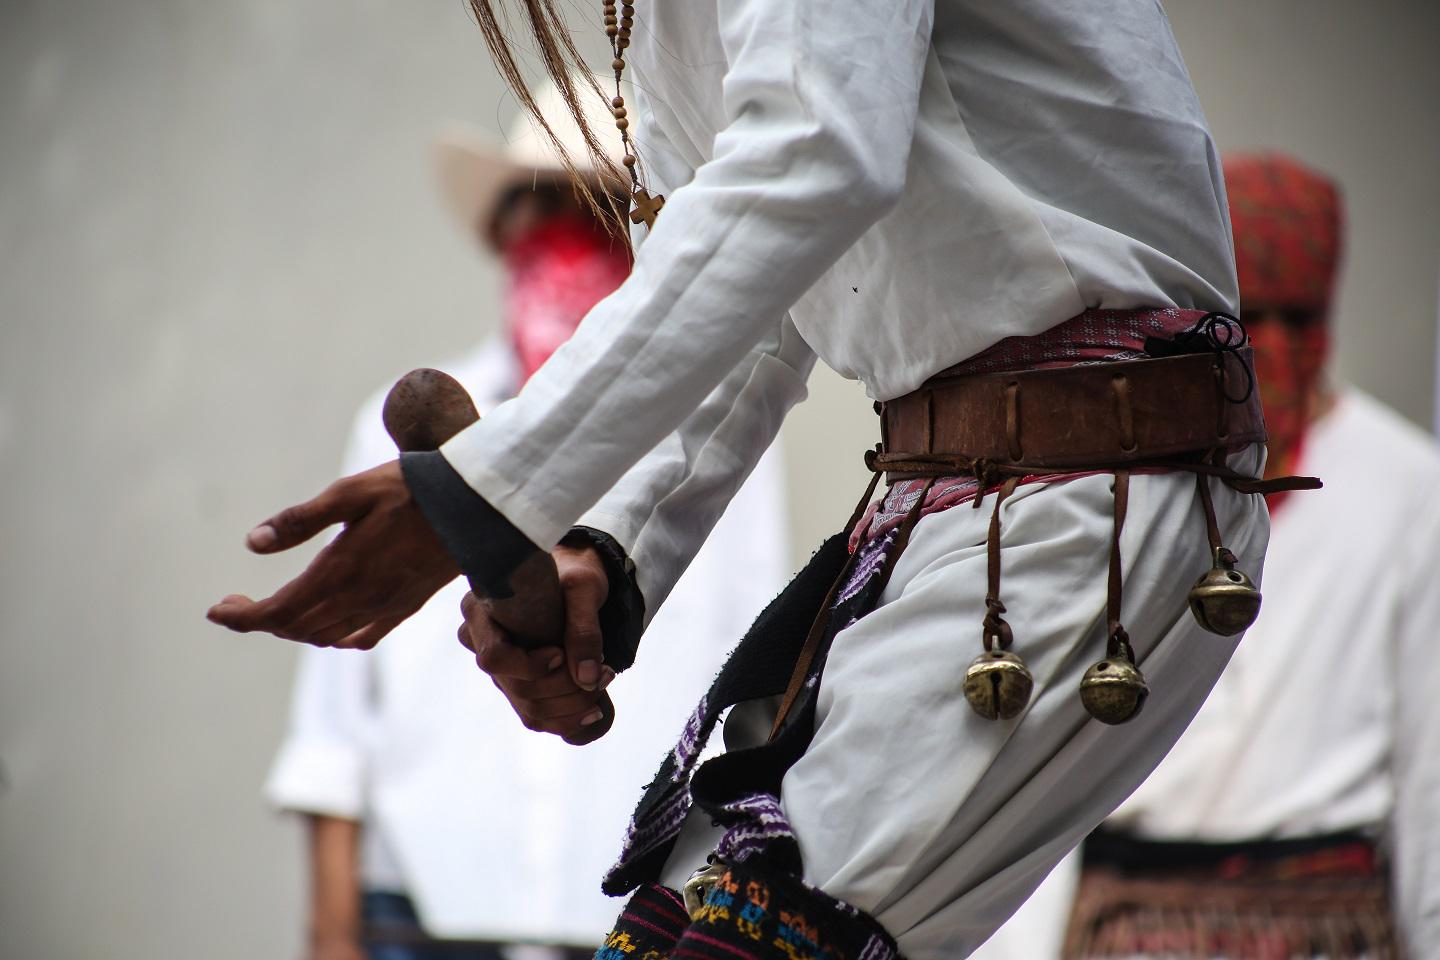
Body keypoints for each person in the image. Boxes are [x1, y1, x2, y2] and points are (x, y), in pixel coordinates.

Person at [209, 4, 1314, 957]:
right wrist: (600, 548)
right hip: (963, 503)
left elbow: (816, 157)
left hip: (1082, 484)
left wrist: (494, 491)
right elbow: (768, 290)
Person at [264, 82, 790, 960]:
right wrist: (330, 937)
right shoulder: (398, 440)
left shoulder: (715, 438)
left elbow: (749, 685)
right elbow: (335, 730)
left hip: (636, 916)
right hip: (420, 917)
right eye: (542, 204)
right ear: (503, 232)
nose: (567, 234)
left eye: (598, 208)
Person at [1058, 153, 1440, 960]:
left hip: (1328, 927)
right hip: (1128, 924)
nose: (1270, 350)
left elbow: (1433, 775)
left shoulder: (1411, 489)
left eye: (1297, 321)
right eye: (1247, 318)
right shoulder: (1124, 477)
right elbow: (1055, 749)